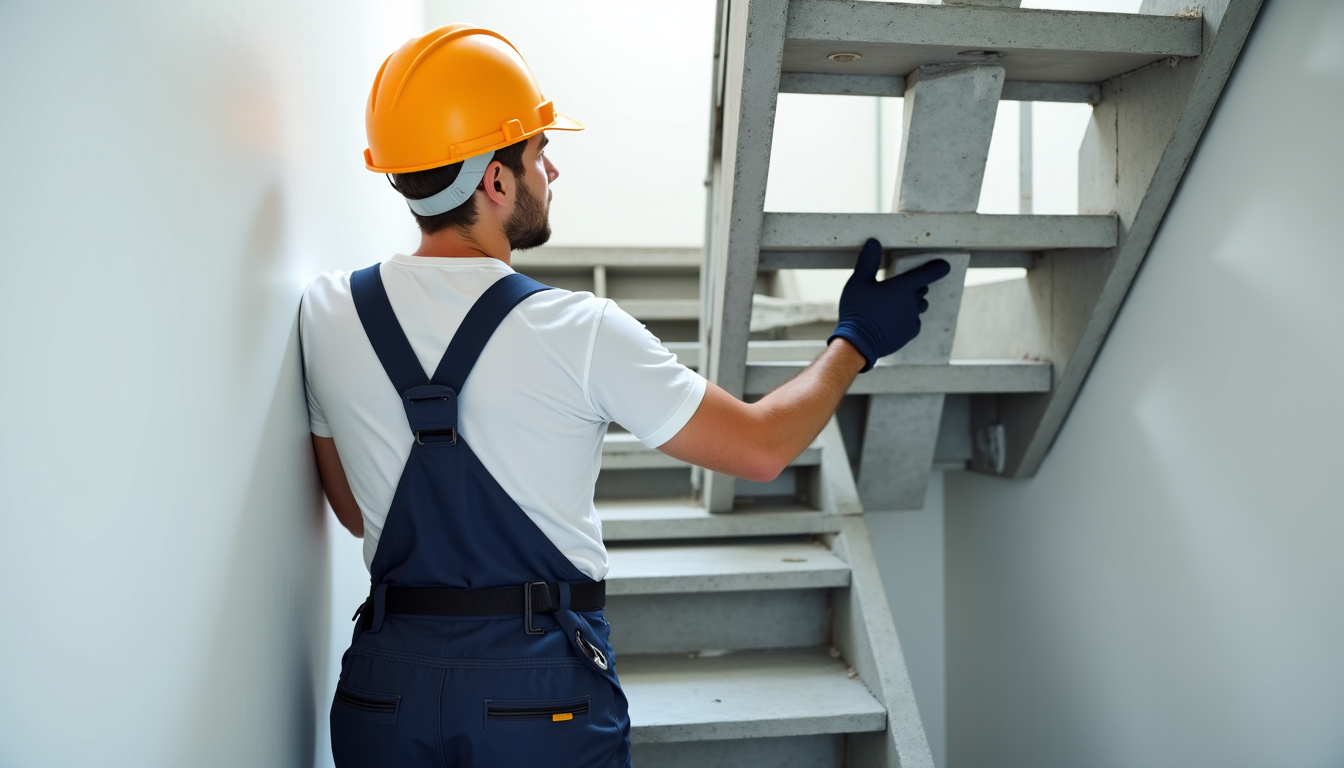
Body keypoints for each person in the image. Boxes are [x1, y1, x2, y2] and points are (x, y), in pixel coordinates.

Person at [300, 24, 950, 768]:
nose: (552, 171)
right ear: (496, 181)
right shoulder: (579, 329)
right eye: (539, 152)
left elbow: (357, 511)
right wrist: (856, 340)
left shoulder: (327, 313)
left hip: (385, 695)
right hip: (534, 698)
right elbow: (761, 448)